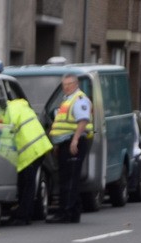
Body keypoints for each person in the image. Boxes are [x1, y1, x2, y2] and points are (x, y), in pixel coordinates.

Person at [47, 74, 93, 224]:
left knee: (70, 179)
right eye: (64, 85)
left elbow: (83, 121)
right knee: (66, 178)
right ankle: (72, 212)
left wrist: (75, 140)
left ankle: (66, 212)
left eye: (69, 84)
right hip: (65, 143)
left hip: (74, 142)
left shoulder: (79, 99)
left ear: (76, 84)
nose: (66, 87)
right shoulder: (67, 100)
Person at [3, 97, 53, 226]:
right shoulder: (20, 105)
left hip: (31, 151)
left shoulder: (10, 109)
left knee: (27, 185)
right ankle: (22, 213)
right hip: (39, 147)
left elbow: (8, 129)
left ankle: (24, 216)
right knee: (25, 183)